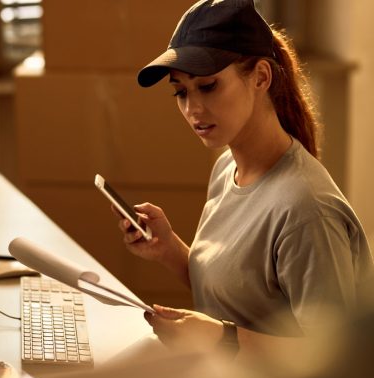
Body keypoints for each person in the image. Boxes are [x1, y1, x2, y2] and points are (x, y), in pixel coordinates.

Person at [114, 0, 374, 357]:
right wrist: (170, 249)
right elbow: (242, 298)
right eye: (181, 91)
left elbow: (337, 360)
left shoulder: (307, 210)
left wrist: (224, 338)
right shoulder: (226, 168)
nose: (192, 109)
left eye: (208, 86)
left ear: (261, 78)